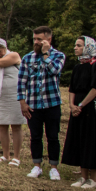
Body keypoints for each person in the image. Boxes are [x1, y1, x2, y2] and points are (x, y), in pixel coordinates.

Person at [18, 26, 65, 180]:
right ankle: (37, 165)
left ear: (48, 39)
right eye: (35, 39)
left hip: (52, 104)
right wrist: (22, 103)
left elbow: (55, 71)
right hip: (33, 105)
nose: (36, 42)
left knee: (52, 136)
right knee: (35, 136)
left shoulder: (58, 55)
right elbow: (21, 82)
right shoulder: (27, 58)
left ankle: (53, 168)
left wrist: (45, 55)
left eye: (39, 39)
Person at [61, 37, 96, 189]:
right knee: (78, 139)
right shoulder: (78, 67)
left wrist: (80, 105)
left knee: (90, 141)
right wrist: (72, 105)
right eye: (75, 45)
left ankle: (93, 178)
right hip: (77, 108)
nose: (75, 48)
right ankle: (83, 176)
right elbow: (72, 88)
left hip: (90, 107)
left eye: (79, 45)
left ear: (87, 47)